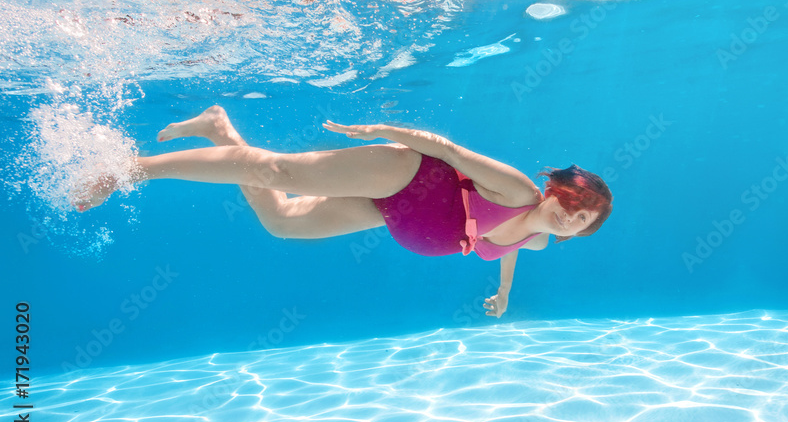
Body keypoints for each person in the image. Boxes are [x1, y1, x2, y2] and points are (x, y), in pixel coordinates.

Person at [75, 106, 612, 318]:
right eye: (575, 204)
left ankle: (219, 127)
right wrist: (385, 133)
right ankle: (130, 169)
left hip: (391, 218)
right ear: (558, 191)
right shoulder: (518, 191)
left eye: (585, 220)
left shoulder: (535, 241)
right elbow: (447, 151)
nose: (574, 218)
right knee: (281, 172)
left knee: (281, 222)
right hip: (408, 177)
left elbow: (508, 250)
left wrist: (506, 293)